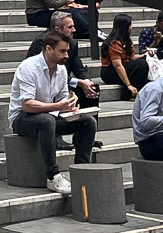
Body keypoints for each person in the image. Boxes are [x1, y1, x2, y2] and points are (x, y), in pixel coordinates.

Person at [8, 33, 97, 195]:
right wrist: (58, 106)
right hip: (22, 118)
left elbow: (62, 100)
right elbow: (27, 105)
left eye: (67, 51)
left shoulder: (61, 70)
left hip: (49, 115)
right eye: (62, 51)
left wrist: (70, 106)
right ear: (48, 49)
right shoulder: (28, 67)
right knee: (47, 121)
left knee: (88, 122)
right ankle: (53, 176)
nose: (66, 55)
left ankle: (82, 169)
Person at [42, 11, 100, 102]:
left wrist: (87, 81)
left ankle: (89, 115)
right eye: (70, 27)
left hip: (66, 81)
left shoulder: (72, 43)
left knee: (92, 87)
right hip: (47, 83)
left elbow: (79, 68)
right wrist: (79, 82)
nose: (74, 30)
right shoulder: (41, 42)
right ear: (57, 30)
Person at [101, 12, 149, 99]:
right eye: (130, 25)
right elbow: (117, 65)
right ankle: (128, 94)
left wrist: (145, 55)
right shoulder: (114, 42)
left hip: (123, 65)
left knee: (143, 63)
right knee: (141, 65)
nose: (131, 28)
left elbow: (131, 58)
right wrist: (128, 85)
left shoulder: (127, 41)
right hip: (109, 71)